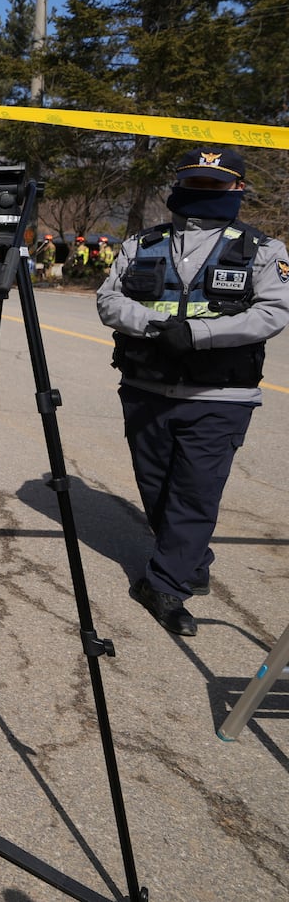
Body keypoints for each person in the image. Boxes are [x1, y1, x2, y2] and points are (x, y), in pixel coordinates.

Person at [96, 146, 289, 638]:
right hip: (145, 387)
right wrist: (159, 325)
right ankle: (188, 555)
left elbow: (274, 313)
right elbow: (109, 300)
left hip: (220, 396)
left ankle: (166, 585)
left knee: (195, 492)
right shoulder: (142, 243)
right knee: (156, 487)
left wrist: (199, 334)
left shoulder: (264, 250)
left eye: (215, 184)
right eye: (195, 182)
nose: (202, 191)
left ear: (237, 190)